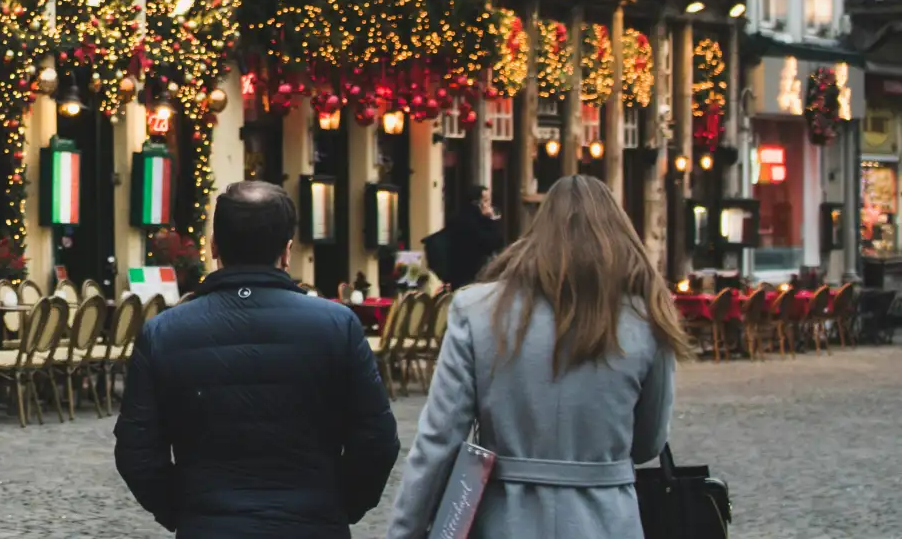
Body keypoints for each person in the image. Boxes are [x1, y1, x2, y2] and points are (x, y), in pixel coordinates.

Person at [384, 175, 692, 539]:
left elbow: (438, 440)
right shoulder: (648, 318)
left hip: (504, 520)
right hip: (607, 520)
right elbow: (647, 444)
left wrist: (405, 531)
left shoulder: (477, 310)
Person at [115, 181, 399, 538]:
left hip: (210, 525)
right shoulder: (338, 326)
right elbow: (376, 440)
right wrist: (337, 507)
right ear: (287, 251)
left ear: (213, 246)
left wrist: (186, 512)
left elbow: (137, 450)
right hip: (312, 523)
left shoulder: (164, 332)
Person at [426, 186, 505, 289]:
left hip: (457, 275)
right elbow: (494, 243)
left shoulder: (457, 218)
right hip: (473, 276)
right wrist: (490, 220)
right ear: (477, 203)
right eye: (485, 201)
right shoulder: (475, 223)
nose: (489, 205)